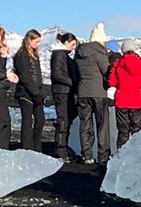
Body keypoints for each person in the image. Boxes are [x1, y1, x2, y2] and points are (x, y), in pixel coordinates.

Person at [74, 22, 112, 166]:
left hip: (83, 92)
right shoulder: (99, 52)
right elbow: (107, 72)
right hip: (99, 92)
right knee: (102, 125)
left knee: (85, 124)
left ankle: (87, 155)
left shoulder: (79, 53)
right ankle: (103, 155)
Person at [108, 39, 141, 150]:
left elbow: (112, 82)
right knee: (137, 131)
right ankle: (137, 157)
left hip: (122, 101)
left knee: (123, 131)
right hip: (136, 101)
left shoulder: (118, 64)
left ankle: (121, 157)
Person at [13, 29, 45, 153]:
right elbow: (25, 76)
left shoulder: (34, 55)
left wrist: (38, 92)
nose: (38, 44)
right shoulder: (23, 55)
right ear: (29, 40)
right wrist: (35, 92)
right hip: (25, 93)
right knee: (27, 121)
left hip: (35, 91)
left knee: (40, 120)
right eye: (36, 42)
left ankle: (37, 148)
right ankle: (27, 148)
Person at [49, 32, 78, 162]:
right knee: (63, 119)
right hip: (62, 91)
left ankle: (64, 146)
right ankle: (61, 148)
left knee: (67, 118)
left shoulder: (64, 56)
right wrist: (72, 82)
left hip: (67, 91)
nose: (73, 47)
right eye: (72, 44)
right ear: (66, 42)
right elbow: (57, 74)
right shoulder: (59, 55)